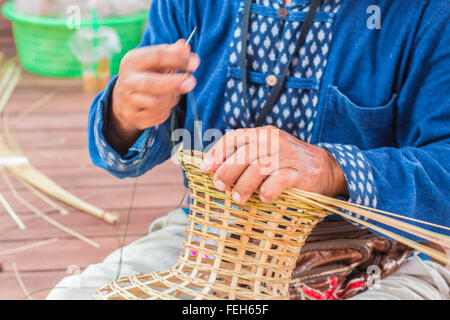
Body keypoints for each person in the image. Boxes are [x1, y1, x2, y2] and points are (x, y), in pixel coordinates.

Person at [47, 0, 450, 300]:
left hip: (387, 255)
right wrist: (125, 112)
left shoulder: (426, 12)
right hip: (211, 239)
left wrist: (331, 168)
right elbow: (144, 134)